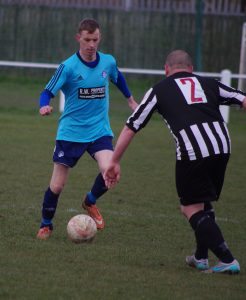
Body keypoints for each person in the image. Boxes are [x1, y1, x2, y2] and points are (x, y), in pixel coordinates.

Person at [104, 50, 246, 274]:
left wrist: (114, 161)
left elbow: (132, 125)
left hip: (194, 150)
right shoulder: (209, 83)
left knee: (190, 207)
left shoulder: (159, 89)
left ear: (166, 70)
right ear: (191, 69)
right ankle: (201, 257)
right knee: (202, 201)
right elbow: (243, 98)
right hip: (222, 146)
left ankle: (227, 259)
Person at [36, 18, 138, 240]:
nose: (92, 44)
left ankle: (90, 201)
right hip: (71, 133)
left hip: (99, 131)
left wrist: (130, 100)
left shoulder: (108, 62)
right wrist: (44, 105)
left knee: (110, 171)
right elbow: (47, 91)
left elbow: (118, 78)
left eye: (95, 39)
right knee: (57, 185)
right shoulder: (68, 67)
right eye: (87, 40)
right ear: (78, 39)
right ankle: (46, 225)